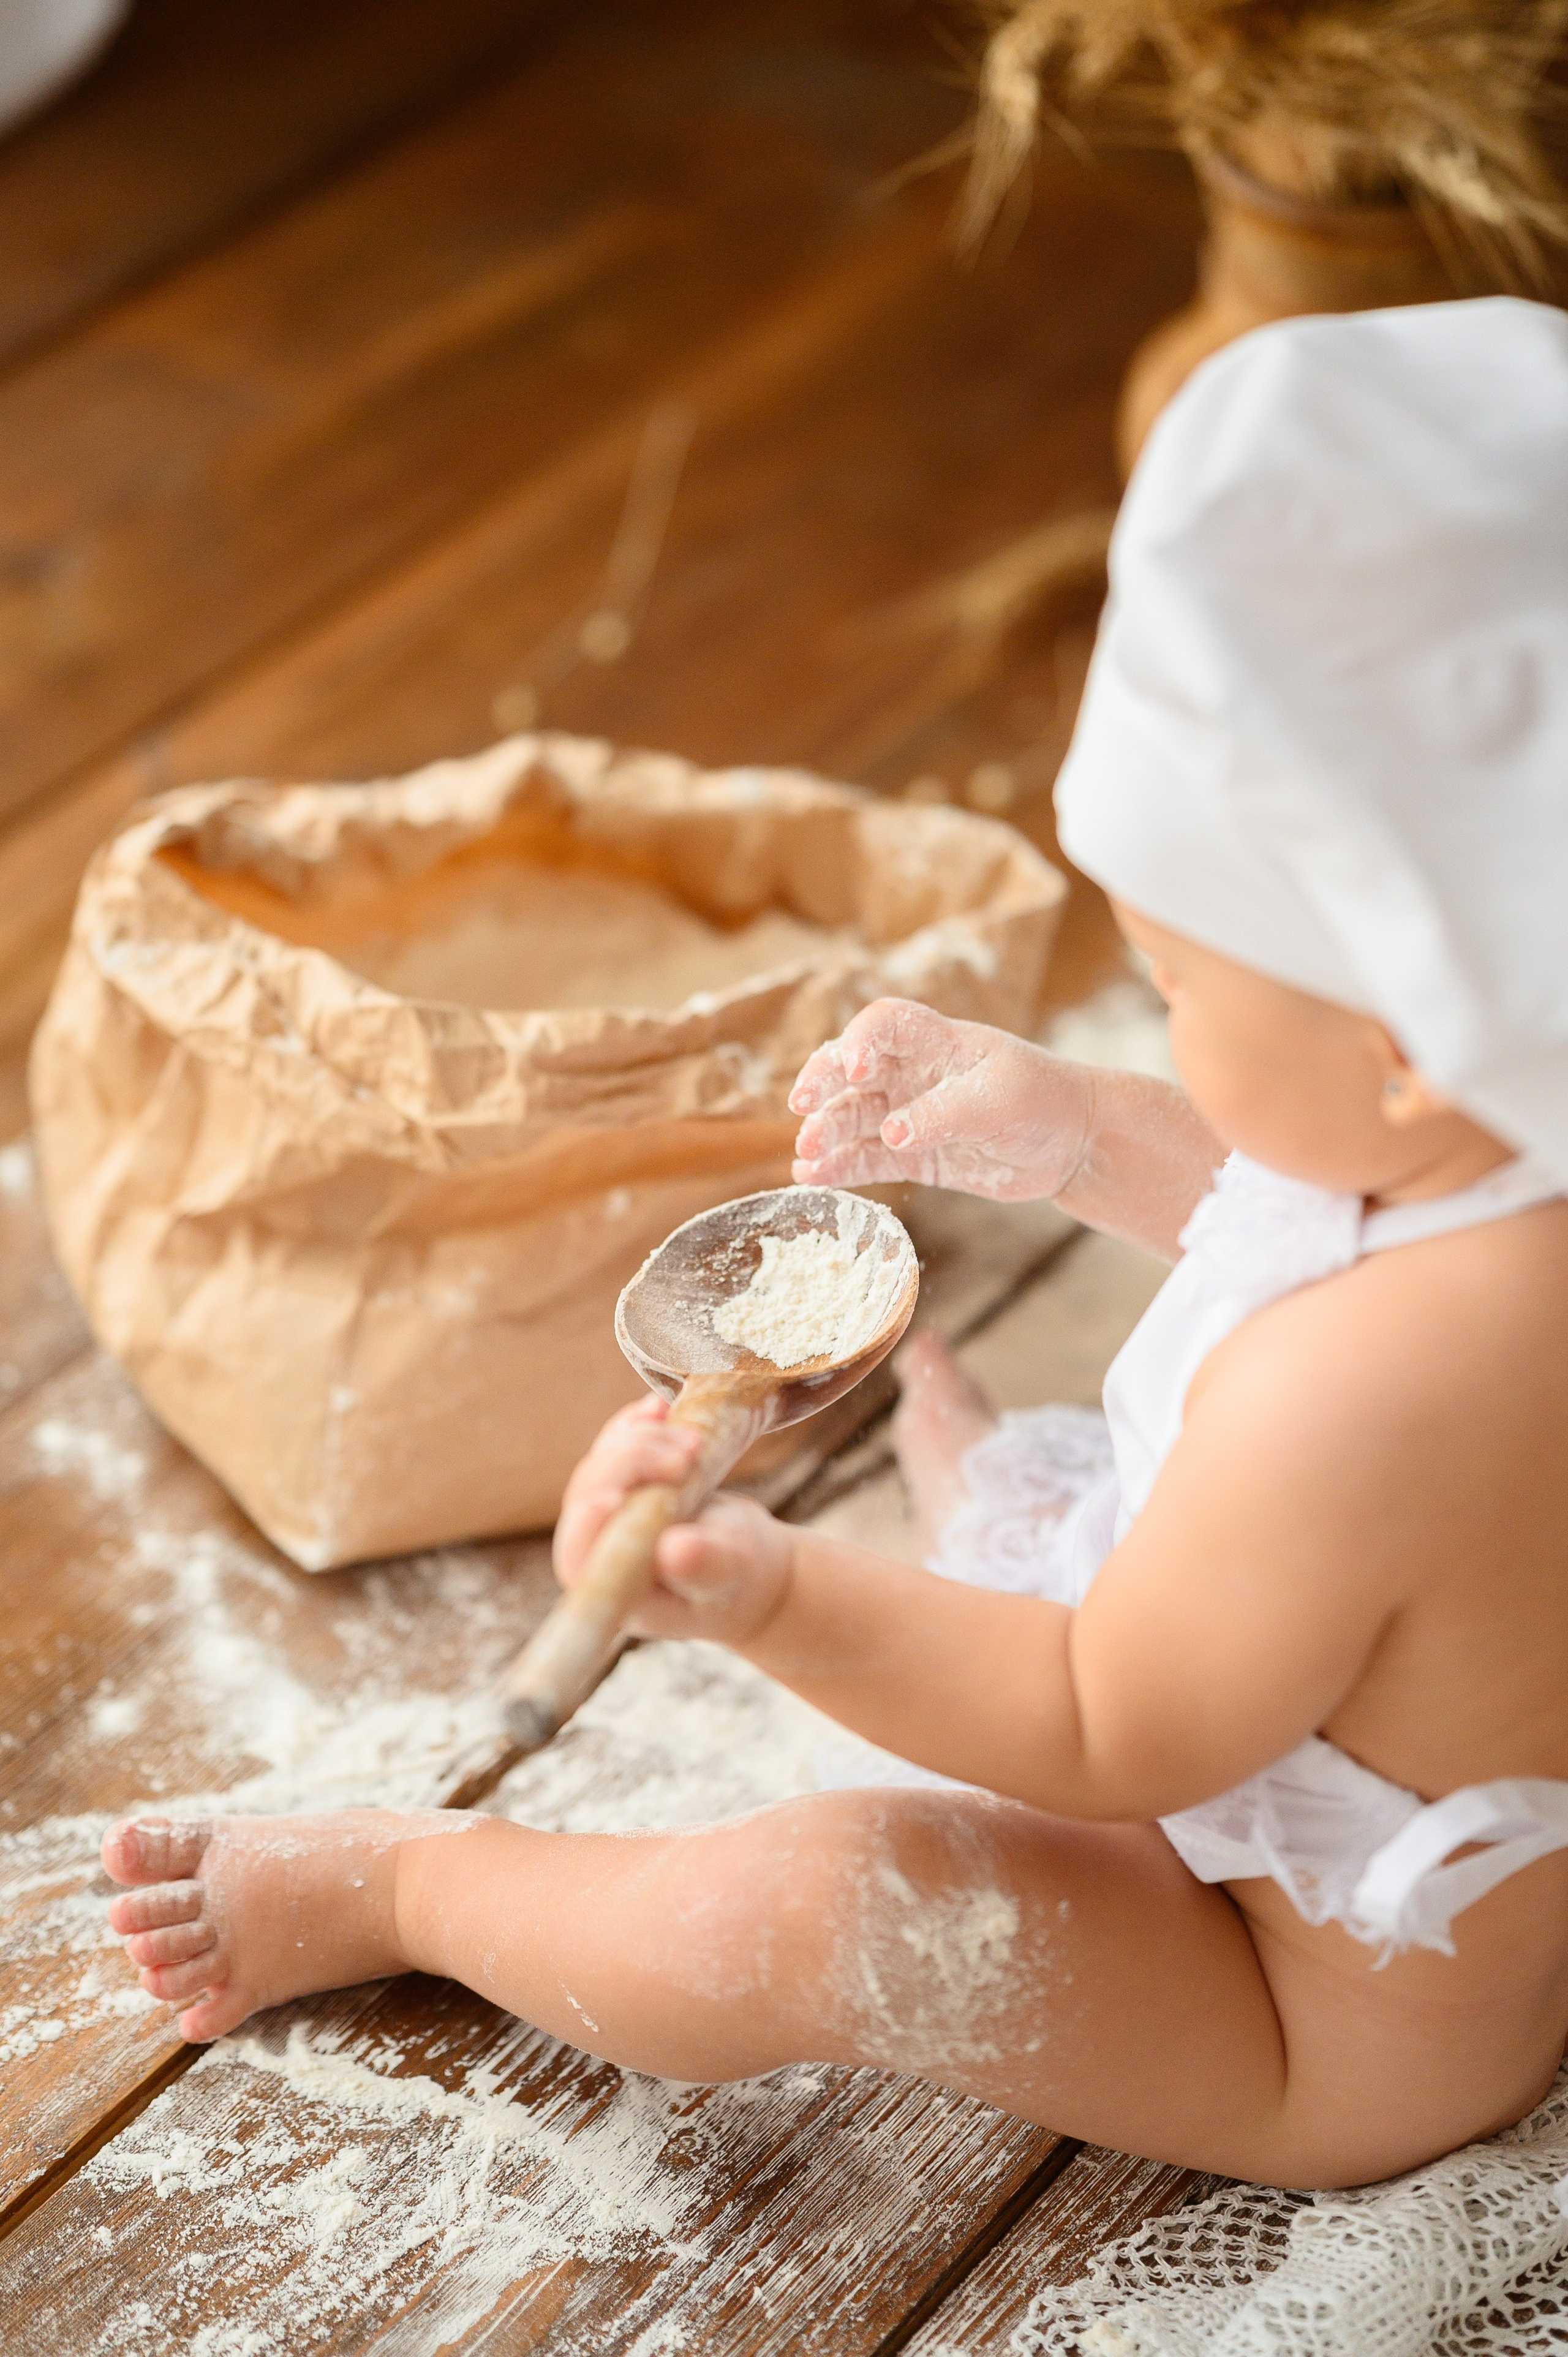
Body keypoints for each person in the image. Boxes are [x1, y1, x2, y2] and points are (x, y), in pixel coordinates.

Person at [100, 296, 1568, 2192]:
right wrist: (1081, 1126)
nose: (1160, 1014)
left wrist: (779, 1597)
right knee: (1115, 1520)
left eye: (1178, 984)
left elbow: (1101, 1721)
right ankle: (1070, 1532)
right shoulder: (1503, 1139)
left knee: (826, 1906)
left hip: (1316, 2005)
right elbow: (1292, 1201)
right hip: (1356, 1718)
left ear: (1395, 1046)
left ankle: (429, 1881)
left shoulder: (1356, 1396)